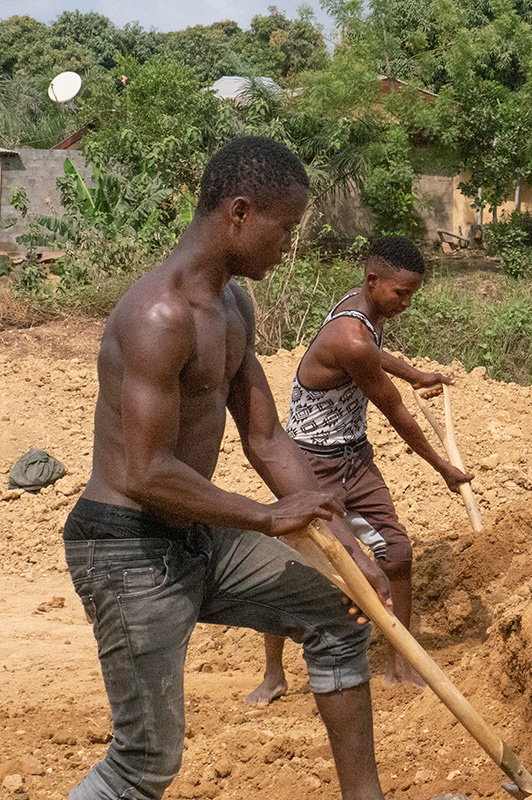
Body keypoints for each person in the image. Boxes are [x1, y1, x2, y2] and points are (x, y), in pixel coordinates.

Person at [63, 136, 391, 800]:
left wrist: (343, 542)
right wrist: (270, 517)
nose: (288, 246)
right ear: (239, 213)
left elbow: (266, 437)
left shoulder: (235, 307)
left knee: (338, 605)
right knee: (144, 762)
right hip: (126, 550)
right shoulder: (158, 316)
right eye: (286, 228)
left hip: (197, 537)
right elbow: (145, 472)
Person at [246, 235, 474, 704]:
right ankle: (273, 675)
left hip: (355, 458)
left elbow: (374, 355)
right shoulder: (350, 336)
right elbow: (395, 412)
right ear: (373, 281)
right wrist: (442, 467)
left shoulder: (363, 312)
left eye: (412, 294)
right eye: (400, 293)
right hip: (310, 465)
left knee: (397, 554)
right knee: (291, 565)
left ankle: (401, 665)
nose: (407, 303)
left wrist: (413, 373)